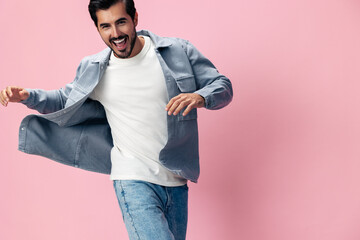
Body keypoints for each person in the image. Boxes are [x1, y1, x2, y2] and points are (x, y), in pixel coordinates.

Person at [0, 0, 233, 239]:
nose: (116, 34)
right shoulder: (95, 69)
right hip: (132, 179)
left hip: (176, 180)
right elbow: (63, 99)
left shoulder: (177, 51)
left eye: (121, 22)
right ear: (98, 28)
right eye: (106, 26)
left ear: (135, 18)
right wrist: (28, 96)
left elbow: (222, 85)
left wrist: (200, 97)